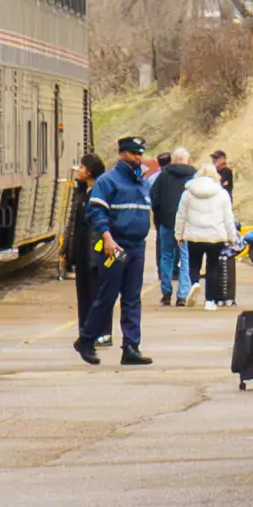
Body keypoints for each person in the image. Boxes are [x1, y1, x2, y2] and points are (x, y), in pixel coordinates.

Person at [88, 139, 158, 363]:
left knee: (132, 298)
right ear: (121, 154)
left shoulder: (142, 183)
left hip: (137, 247)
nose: (138, 157)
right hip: (114, 247)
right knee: (108, 295)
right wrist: (107, 237)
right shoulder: (108, 181)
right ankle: (86, 339)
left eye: (140, 153)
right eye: (133, 153)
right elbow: (96, 213)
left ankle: (131, 347)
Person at [62, 152, 116, 363]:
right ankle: (86, 333)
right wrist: (69, 252)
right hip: (83, 254)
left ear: (90, 171)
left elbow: (103, 229)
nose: (78, 171)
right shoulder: (81, 194)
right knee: (85, 296)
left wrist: (102, 252)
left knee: (99, 294)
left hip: (97, 254)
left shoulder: (100, 196)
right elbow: (75, 227)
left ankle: (101, 332)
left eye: (82, 167)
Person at [174, 152, 238, 308]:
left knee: (193, 264)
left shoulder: (188, 193)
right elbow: (228, 218)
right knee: (213, 267)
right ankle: (210, 300)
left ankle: (195, 283)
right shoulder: (222, 194)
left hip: (194, 235)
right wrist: (232, 237)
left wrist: (179, 234)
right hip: (216, 236)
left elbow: (181, 215)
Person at [148, 145, 199, 307]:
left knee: (166, 255)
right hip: (186, 224)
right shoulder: (194, 176)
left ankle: (166, 291)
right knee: (185, 257)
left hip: (166, 222)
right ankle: (182, 295)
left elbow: (154, 197)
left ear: (173, 160)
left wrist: (159, 217)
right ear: (187, 160)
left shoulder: (163, 175)